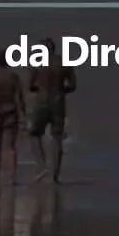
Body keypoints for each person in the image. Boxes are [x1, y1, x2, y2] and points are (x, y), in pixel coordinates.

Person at [28, 43, 77, 184]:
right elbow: (73, 86)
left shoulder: (38, 63)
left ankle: (42, 165)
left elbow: (30, 85)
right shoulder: (64, 63)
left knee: (34, 134)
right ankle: (55, 175)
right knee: (57, 137)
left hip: (41, 102)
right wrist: (61, 91)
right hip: (58, 102)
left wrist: (40, 88)